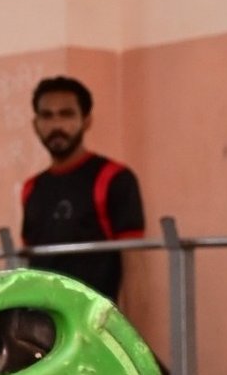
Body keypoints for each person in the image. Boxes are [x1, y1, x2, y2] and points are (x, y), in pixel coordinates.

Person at [22, 76, 145, 302]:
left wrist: (132, 325)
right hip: (38, 320)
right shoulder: (32, 188)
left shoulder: (114, 178)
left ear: (86, 121)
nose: (56, 125)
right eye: (47, 116)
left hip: (94, 320)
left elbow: (135, 270)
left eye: (66, 114)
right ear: (35, 124)